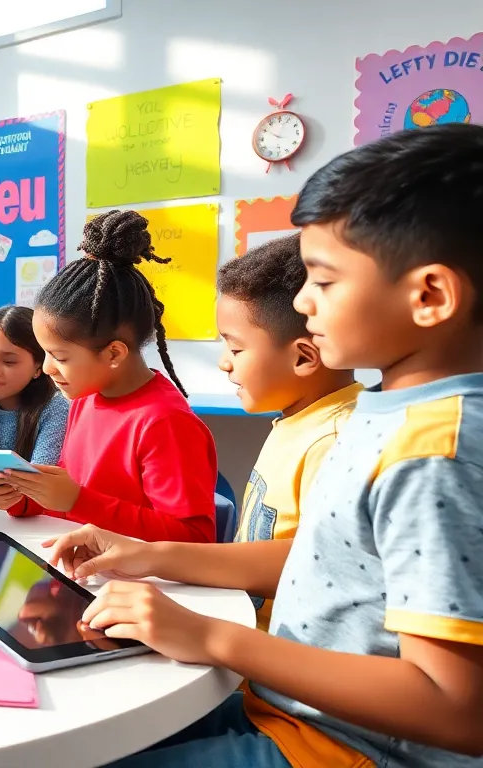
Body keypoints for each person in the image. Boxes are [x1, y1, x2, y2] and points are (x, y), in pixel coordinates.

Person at [53, 124, 483, 768]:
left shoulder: (435, 450)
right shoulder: (386, 407)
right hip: (287, 705)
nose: (304, 303)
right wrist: (149, 553)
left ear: (429, 295)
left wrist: (210, 636)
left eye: (324, 281)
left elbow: (455, 708)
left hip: (338, 749)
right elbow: (323, 560)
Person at [0, 210, 218, 542]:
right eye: (45, 353)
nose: (48, 368)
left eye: (60, 356)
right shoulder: (86, 398)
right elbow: (75, 502)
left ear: (113, 353)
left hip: (139, 588)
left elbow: (193, 540)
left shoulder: (165, 423)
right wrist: (26, 499)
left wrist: (77, 500)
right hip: (86, 572)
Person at [216, 233, 362, 630]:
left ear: (302, 357)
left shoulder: (336, 437)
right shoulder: (298, 418)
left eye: (235, 349)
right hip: (255, 659)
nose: (223, 364)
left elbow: (317, 565)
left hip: (283, 679)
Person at [0, 305, 69, 507]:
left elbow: (38, 484)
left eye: (8, 361)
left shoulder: (56, 409)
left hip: (32, 524)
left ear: (38, 367)